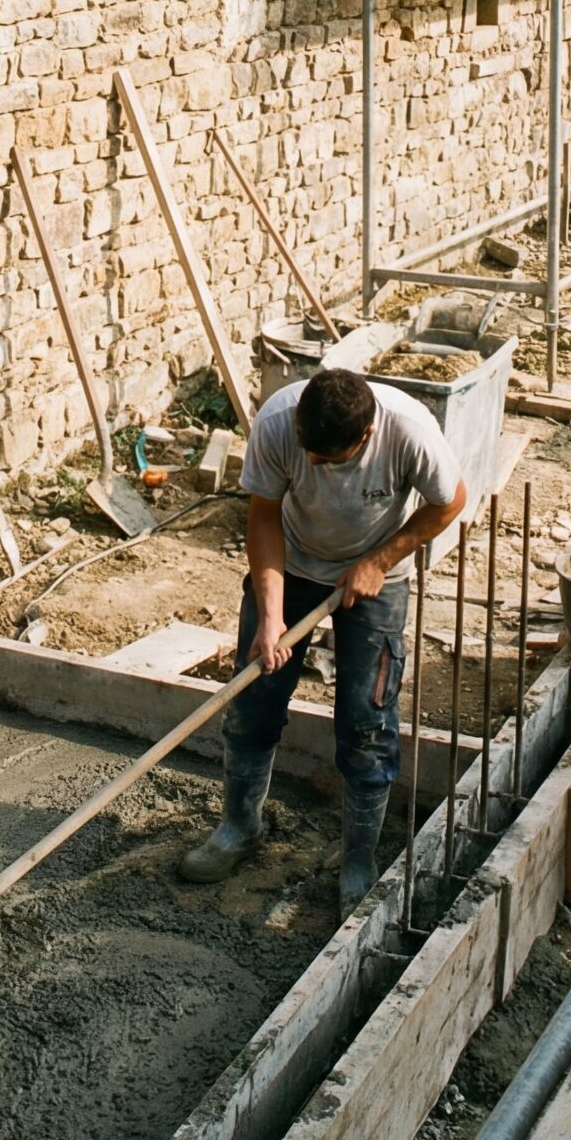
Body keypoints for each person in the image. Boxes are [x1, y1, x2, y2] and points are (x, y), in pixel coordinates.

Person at [179, 367, 466, 915]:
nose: (311, 463)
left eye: (325, 458)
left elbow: (449, 500)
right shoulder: (279, 424)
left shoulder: (409, 432)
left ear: (364, 437)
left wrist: (380, 561)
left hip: (376, 576)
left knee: (367, 722)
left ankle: (358, 861)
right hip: (292, 566)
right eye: (308, 451)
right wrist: (269, 617)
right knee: (253, 702)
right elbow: (263, 517)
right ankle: (240, 828)